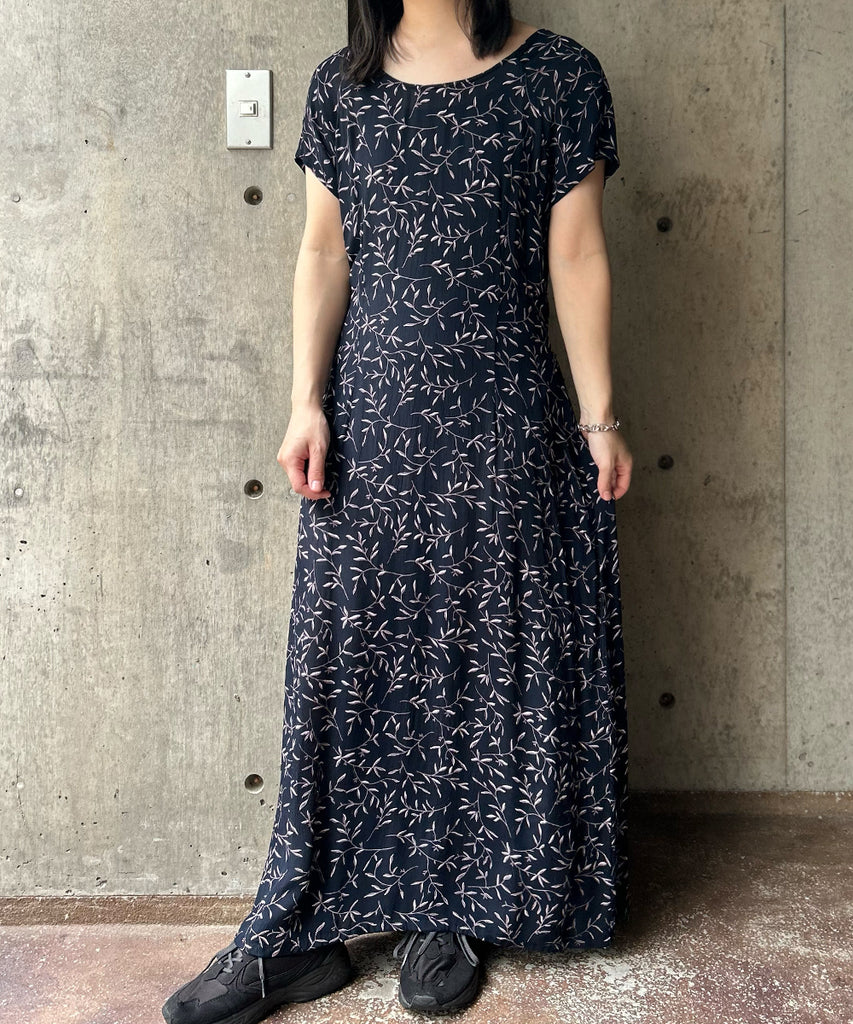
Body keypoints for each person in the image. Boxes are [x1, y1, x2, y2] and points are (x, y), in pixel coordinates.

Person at [162, 2, 632, 1021]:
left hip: (505, 422)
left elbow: (577, 254)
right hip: (371, 428)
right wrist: (304, 402)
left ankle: (450, 908)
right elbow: (323, 253)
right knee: (363, 662)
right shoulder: (342, 87)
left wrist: (598, 418)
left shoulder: (559, 76)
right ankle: (304, 934)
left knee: (482, 658)